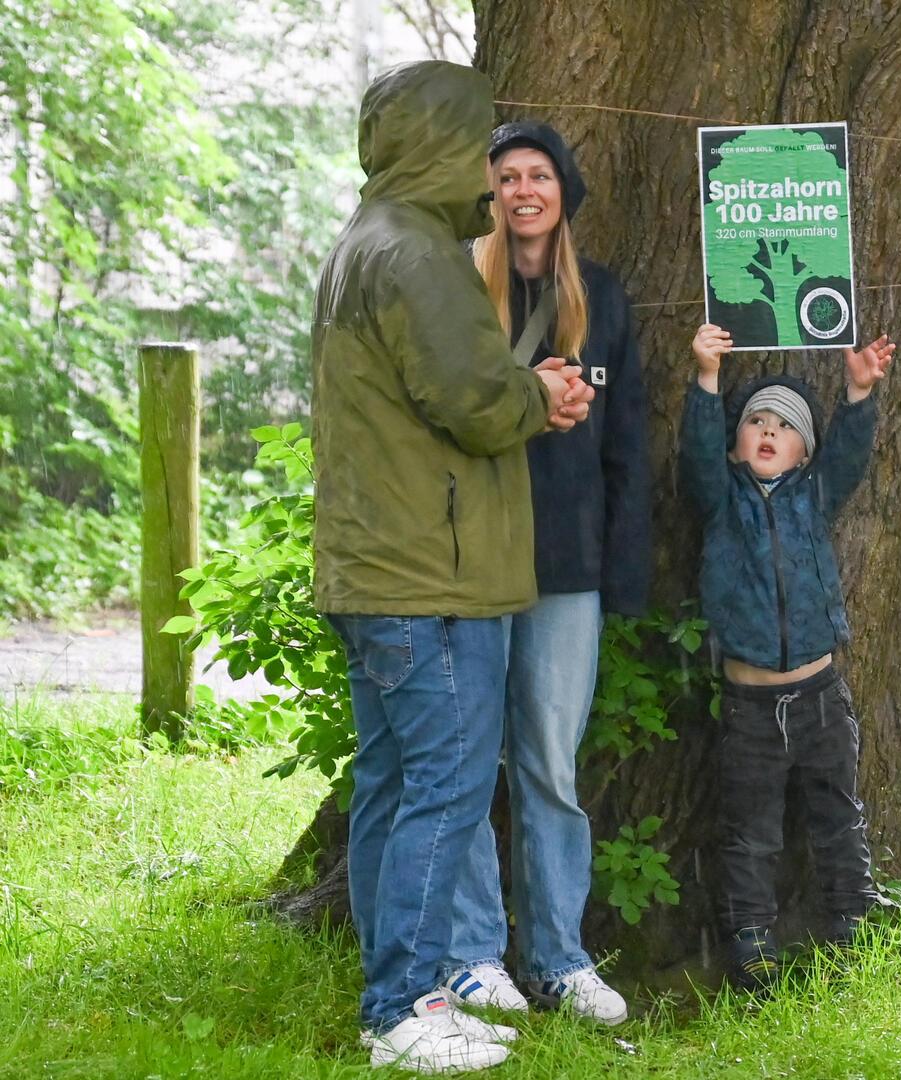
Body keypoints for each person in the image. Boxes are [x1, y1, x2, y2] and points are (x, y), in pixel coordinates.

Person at [312, 61, 593, 1073]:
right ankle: (400, 1011)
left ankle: (407, 991)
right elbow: (473, 404)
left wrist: (513, 385)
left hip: (379, 567)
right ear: (438, 141)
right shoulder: (419, 256)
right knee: (445, 787)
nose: (488, 170)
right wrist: (541, 397)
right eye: (477, 145)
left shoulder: (369, 241)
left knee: (394, 787)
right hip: (427, 575)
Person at [437, 121, 650, 1026]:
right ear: (487, 193)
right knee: (463, 766)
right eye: (506, 177)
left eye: (539, 175)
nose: (524, 190)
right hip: (471, 564)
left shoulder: (599, 297)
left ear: (563, 191)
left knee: (549, 770)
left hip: (567, 568)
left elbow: (629, 448)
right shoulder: (451, 293)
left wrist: (623, 572)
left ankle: (560, 958)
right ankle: (475, 954)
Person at [681, 323, 895, 992]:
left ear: (805, 453)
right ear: (736, 442)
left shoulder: (814, 495)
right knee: (751, 831)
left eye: (785, 426)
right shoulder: (721, 501)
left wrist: (858, 393)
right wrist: (706, 378)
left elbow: (850, 457)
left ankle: (852, 918)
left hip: (820, 696)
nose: (768, 432)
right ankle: (751, 938)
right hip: (748, 705)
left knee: (837, 815)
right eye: (756, 423)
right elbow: (695, 456)